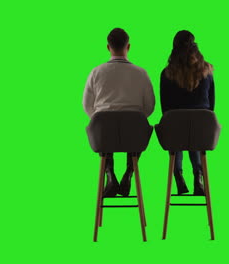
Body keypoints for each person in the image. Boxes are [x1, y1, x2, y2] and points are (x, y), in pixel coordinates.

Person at [83, 28, 155, 197]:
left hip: (104, 134)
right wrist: (133, 118)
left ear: (108, 47)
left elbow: (87, 106)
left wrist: (104, 118)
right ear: (128, 46)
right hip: (134, 134)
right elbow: (150, 107)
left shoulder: (96, 72)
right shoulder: (141, 73)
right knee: (138, 127)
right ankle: (129, 173)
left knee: (101, 127)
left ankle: (109, 174)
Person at [160, 30, 215, 196]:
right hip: (203, 132)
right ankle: (198, 176)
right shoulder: (207, 71)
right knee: (196, 124)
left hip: (175, 132)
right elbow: (211, 105)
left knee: (176, 126)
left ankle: (178, 174)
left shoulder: (166, 73)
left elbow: (165, 110)